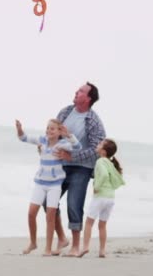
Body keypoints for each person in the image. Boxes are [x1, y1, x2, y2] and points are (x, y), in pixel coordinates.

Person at [53, 82, 106, 257]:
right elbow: (53, 134)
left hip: (81, 168)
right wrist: (46, 147)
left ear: (88, 98)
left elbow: (96, 149)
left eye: (81, 91)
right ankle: (61, 238)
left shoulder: (93, 120)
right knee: (49, 202)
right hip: (60, 165)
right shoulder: (65, 112)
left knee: (74, 205)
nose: (77, 92)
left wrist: (73, 157)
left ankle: (75, 246)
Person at [15, 119, 81, 256]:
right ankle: (33, 243)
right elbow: (23, 138)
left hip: (55, 185)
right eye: (48, 128)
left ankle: (48, 248)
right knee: (31, 213)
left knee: (50, 216)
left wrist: (68, 135)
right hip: (40, 182)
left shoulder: (62, 144)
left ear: (59, 132)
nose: (49, 131)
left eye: (52, 129)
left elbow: (78, 147)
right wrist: (19, 129)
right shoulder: (42, 141)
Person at [79, 138, 125, 258]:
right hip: (110, 198)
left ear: (103, 151)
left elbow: (104, 175)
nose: (97, 145)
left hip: (100, 196)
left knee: (89, 223)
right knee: (102, 225)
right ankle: (102, 250)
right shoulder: (110, 163)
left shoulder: (100, 161)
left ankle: (85, 247)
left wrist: (97, 187)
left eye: (100, 144)